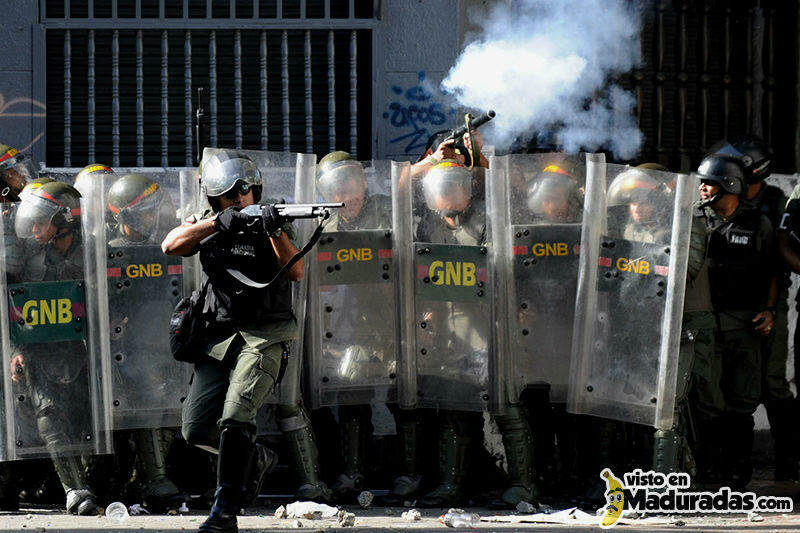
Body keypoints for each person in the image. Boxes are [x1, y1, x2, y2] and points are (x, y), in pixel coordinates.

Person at [162, 151, 303, 533]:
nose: (241, 199)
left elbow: (297, 271)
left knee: (236, 417)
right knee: (195, 429)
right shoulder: (209, 222)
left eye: (247, 191)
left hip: (265, 335)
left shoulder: (277, 219)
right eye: (231, 194)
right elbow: (171, 245)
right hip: (219, 337)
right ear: (215, 199)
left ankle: (224, 510)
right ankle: (253, 458)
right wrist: (215, 225)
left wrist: (273, 230)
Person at [413, 160, 536, 508]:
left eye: (454, 186)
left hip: (492, 328)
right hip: (450, 333)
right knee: (454, 409)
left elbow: (503, 270)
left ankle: (523, 485)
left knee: (505, 408)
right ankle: (452, 484)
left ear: (468, 191)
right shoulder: (428, 226)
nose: (447, 193)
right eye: (441, 188)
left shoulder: (489, 219)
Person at [11, 181, 102, 515]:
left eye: (41, 221)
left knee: (93, 419)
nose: (34, 228)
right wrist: (15, 350)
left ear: (64, 220)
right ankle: (75, 490)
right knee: (48, 416)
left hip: (92, 352)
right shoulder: (32, 262)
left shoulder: (95, 253)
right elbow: (14, 309)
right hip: (43, 351)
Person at [711, 138, 797, 481]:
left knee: (773, 385)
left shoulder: (774, 203)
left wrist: (771, 307)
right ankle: (732, 466)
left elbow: (779, 257)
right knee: (729, 388)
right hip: (730, 308)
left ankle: (788, 462)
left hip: (769, 302)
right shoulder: (720, 200)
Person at [103, 173, 185, 510]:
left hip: (167, 341)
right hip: (130, 350)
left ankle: (154, 477)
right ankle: (155, 479)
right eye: (146, 212)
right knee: (148, 404)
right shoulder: (110, 254)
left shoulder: (167, 245)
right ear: (127, 216)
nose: (154, 218)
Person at [314, 151, 392, 499]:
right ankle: (352, 472)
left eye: (353, 182)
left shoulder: (388, 210)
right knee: (351, 395)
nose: (347, 194)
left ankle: (412, 473)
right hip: (344, 325)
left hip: (392, 318)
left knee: (408, 401)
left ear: (364, 182)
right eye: (338, 186)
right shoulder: (321, 224)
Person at [697, 154, 777, 489]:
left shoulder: (758, 224)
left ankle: (737, 475)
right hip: (707, 323)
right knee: (707, 400)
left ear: (728, 185)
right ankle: (709, 472)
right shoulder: (695, 221)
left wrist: (769, 310)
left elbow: (772, 270)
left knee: (741, 403)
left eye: (709, 182)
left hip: (745, 325)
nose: (702, 188)